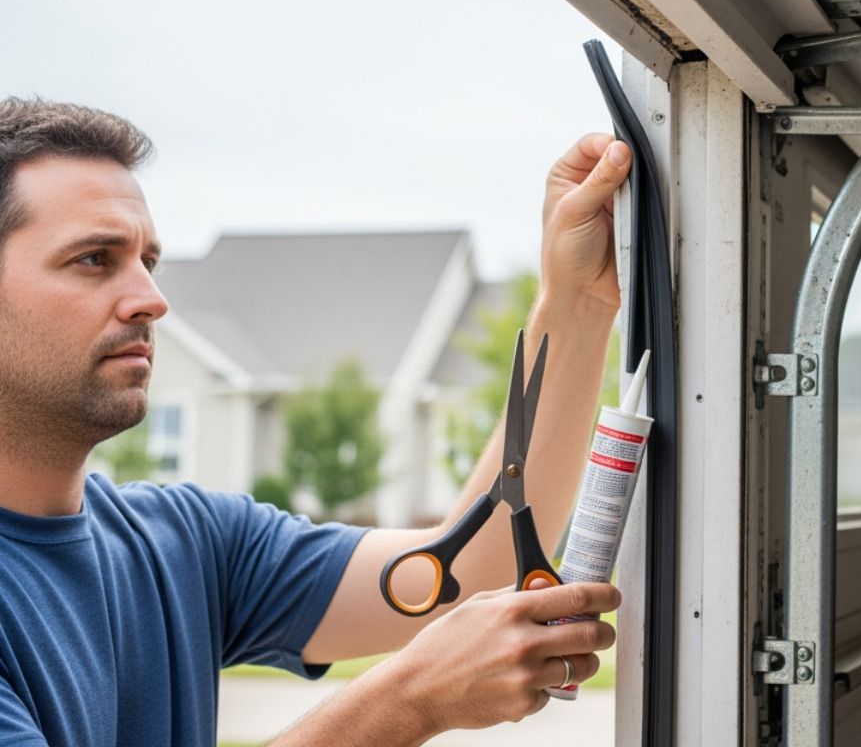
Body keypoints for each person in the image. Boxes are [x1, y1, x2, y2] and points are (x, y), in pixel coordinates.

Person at [0, 96, 633, 745]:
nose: (151, 299)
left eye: (148, 263)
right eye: (94, 259)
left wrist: (579, 301)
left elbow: (472, 571)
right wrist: (411, 700)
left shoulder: (184, 542)